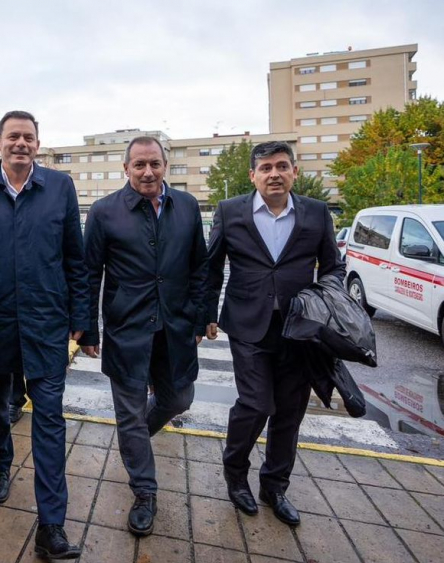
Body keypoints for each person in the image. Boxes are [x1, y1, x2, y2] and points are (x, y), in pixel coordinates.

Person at [0, 111, 89, 559]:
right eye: (14, 137)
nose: (21, 144)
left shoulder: (60, 188)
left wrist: (80, 316)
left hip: (46, 328)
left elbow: (75, 257)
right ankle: (0, 464)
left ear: (38, 144)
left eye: (29, 137)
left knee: (50, 422)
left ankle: (52, 526)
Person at [205, 141, 345, 527]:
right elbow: (212, 267)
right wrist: (206, 314)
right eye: (265, 168)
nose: (274, 174)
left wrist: (325, 304)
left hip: (300, 332)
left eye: (282, 166)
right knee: (255, 404)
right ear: (253, 175)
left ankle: (275, 485)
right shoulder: (230, 211)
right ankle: (236, 474)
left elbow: (333, 267)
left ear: (294, 172)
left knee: (289, 412)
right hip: (248, 325)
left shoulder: (316, 213)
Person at [79, 136, 208, 537]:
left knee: (178, 398)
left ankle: (134, 440)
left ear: (166, 165)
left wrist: (203, 316)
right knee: (130, 413)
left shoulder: (186, 206)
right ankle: (144, 491)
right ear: (126, 169)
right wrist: (88, 328)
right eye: (139, 165)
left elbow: (200, 266)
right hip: (127, 329)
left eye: (154, 163)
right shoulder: (104, 212)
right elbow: (89, 274)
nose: (147, 172)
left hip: (175, 328)